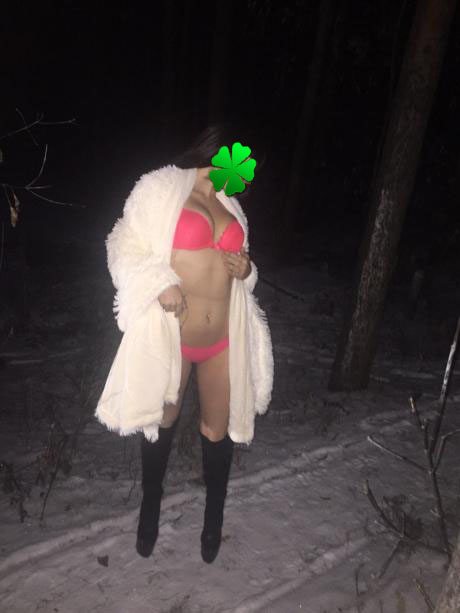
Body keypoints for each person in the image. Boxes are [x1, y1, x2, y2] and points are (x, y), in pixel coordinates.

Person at [95, 124, 274, 564]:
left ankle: (213, 519)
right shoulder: (162, 188)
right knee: (164, 421)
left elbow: (243, 277)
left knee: (218, 430)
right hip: (174, 335)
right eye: (244, 160)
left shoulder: (232, 207)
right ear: (223, 150)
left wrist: (246, 269)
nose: (247, 174)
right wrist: (158, 284)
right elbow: (122, 243)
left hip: (223, 338)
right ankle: (150, 508)